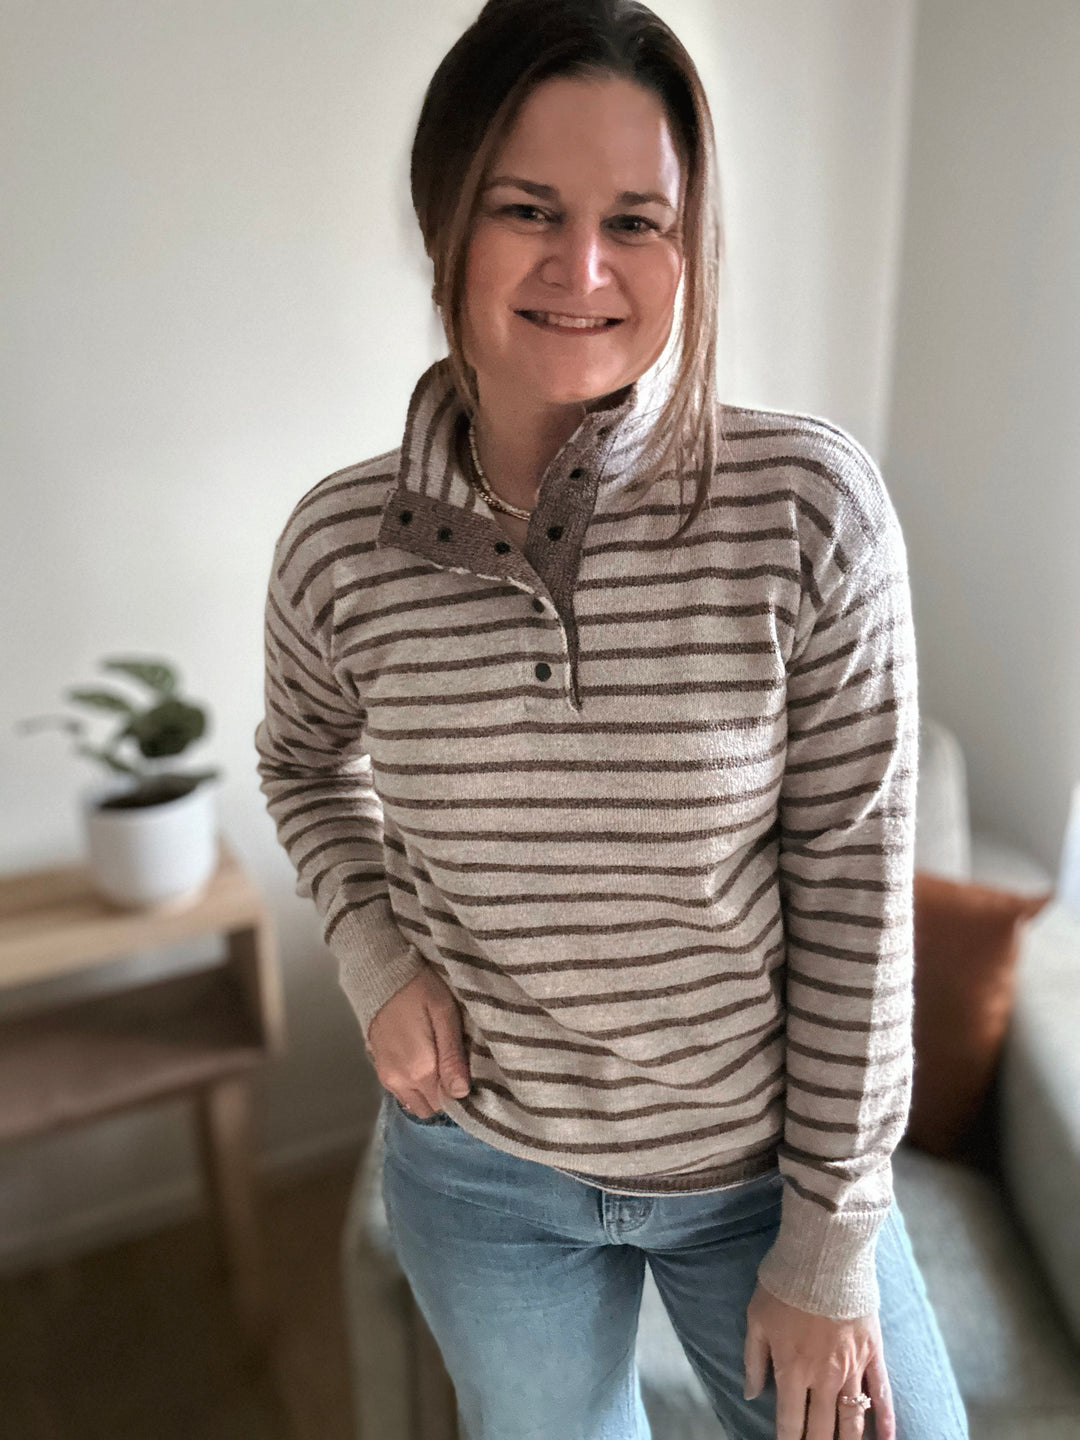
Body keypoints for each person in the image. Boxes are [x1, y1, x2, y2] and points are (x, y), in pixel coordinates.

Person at [254, 2, 969, 1436]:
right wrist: (376, 953)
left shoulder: (806, 511)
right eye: (529, 209)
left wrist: (827, 1250)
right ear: (444, 217)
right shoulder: (341, 545)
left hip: (759, 1176)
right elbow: (301, 762)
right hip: (484, 1177)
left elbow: (854, 895)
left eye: (638, 221)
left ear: (690, 245)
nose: (583, 269)